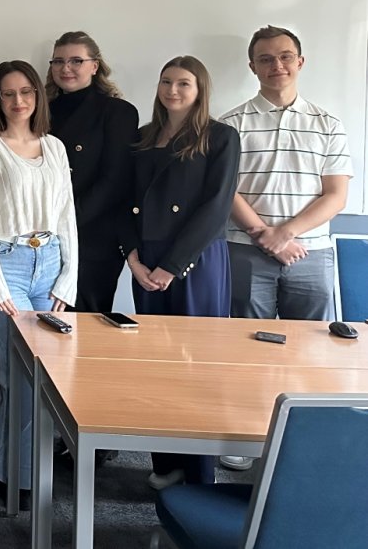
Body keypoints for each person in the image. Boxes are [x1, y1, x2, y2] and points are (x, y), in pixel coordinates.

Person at [218, 25, 353, 471]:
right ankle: (244, 435)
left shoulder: (328, 124)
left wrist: (286, 234)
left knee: (309, 352)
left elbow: (336, 195)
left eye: (285, 56)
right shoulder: (231, 125)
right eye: (265, 58)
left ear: (300, 61)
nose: (276, 65)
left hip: (311, 255)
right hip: (244, 249)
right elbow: (227, 190)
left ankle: (300, 443)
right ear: (252, 66)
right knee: (247, 349)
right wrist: (265, 235)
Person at [122, 56, 239, 489]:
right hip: (146, 260)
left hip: (196, 259)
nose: (173, 90)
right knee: (157, 364)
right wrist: (133, 258)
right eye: (166, 82)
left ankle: (199, 473)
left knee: (196, 366)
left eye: (183, 83)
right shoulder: (141, 138)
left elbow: (216, 207)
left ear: (200, 89)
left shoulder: (220, 137)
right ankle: (166, 461)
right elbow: (124, 201)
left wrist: (172, 266)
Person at [0, 60, 78, 509]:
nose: (18, 101)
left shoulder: (55, 147)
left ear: (38, 96)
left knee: (46, 378)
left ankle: (12, 465)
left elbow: (67, 215)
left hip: (49, 264)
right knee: (21, 378)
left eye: (26, 91)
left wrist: (68, 280)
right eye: (8, 93)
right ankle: (16, 473)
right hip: (5, 265)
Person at [46, 31, 138, 312]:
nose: (66, 68)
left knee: (84, 323)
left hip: (94, 239)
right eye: (58, 61)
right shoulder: (41, 111)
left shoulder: (118, 112)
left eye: (76, 61)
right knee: (42, 320)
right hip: (45, 236)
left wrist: (68, 221)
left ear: (95, 66)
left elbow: (115, 181)